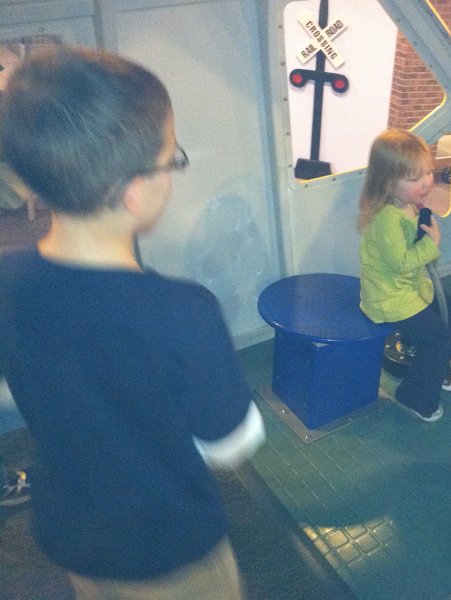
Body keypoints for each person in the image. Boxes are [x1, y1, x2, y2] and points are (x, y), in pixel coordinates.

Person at [0, 46, 265, 598]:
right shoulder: (183, 311)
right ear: (135, 191)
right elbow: (230, 444)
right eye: (173, 157)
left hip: (73, 536)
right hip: (168, 551)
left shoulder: (8, 279)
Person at [357, 128, 451, 422]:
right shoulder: (386, 220)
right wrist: (431, 243)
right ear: (388, 184)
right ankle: (416, 397)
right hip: (388, 297)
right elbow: (401, 263)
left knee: (448, 306)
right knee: (435, 334)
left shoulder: (406, 205)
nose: (426, 182)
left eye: (428, 172)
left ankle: (435, 370)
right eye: (415, 178)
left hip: (407, 287)